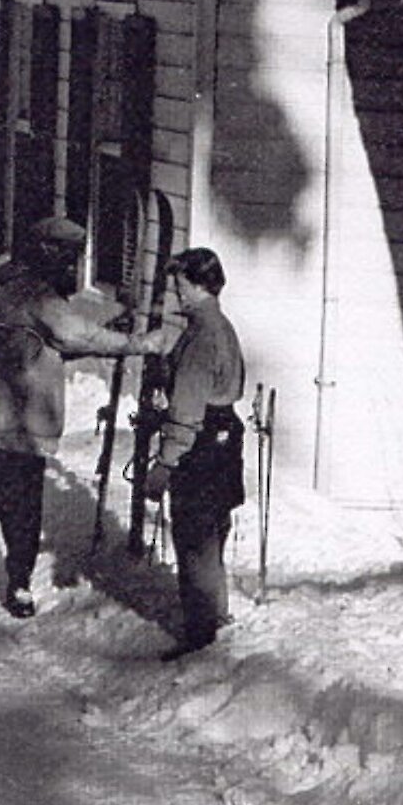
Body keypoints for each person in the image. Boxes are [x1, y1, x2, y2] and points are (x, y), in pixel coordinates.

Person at [0, 216, 167, 626]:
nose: (75, 269)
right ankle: (10, 587)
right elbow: (77, 335)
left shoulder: (16, 292)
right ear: (50, 256)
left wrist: (110, 335)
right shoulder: (35, 295)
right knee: (15, 512)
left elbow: (56, 343)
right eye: (70, 259)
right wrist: (139, 344)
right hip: (11, 427)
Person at [138, 246, 247, 660]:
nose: (177, 293)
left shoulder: (202, 336)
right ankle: (215, 615)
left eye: (181, 285)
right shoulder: (221, 325)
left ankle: (200, 636)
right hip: (224, 438)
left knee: (195, 537)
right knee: (214, 529)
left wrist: (164, 465)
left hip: (200, 446)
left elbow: (185, 414)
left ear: (199, 285)